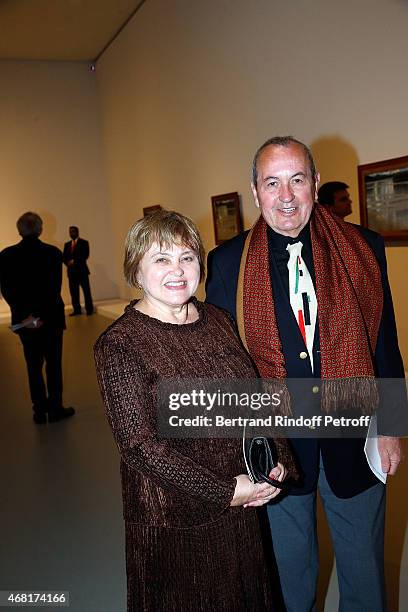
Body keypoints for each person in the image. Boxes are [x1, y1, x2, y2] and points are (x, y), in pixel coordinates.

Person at [206, 136, 405, 611]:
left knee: (364, 573)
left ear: (314, 184)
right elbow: (221, 363)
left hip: (354, 436)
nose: (287, 195)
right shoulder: (228, 262)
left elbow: (386, 348)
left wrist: (392, 429)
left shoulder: (364, 248)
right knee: (289, 575)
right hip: (276, 443)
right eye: (272, 183)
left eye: (297, 179)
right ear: (255, 192)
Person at [94, 209, 295, 612]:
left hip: (241, 501)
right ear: (136, 271)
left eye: (187, 257)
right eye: (161, 259)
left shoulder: (218, 318)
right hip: (177, 516)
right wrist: (223, 492)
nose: (178, 270)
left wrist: (275, 458)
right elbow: (139, 446)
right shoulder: (120, 344)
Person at [0, 212, 75, 424]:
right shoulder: (52, 253)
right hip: (50, 319)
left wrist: (28, 316)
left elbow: (7, 290)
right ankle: (55, 408)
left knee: (32, 365)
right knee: (53, 364)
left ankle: (39, 411)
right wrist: (40, 315)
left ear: (19, 230)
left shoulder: (5, 255)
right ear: (40, 229)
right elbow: (53, 288)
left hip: (24, 322)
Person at [63, 226, 94, 315]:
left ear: (77, 232)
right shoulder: (67, 244)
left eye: (73, 231)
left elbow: (85, 255)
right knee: (74, 292)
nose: (71, 233)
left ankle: (89, 309)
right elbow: (64, 257)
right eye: (70, 232)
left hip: (82, 271)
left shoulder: (84, 242)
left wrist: (74, 261)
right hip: (71, 273)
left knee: (86, 291)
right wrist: (67, 262)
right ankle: (77, 310)